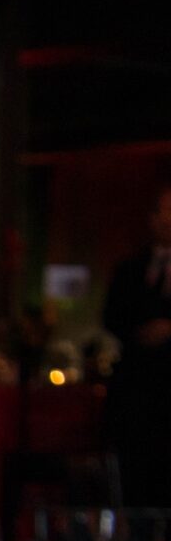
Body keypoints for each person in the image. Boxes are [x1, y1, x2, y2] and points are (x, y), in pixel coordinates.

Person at [102, 182, 171, 508]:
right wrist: (141, 333)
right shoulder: (130, 269)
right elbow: (112, 316)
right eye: (163, 212)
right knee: (135, 484)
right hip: (136, 397)